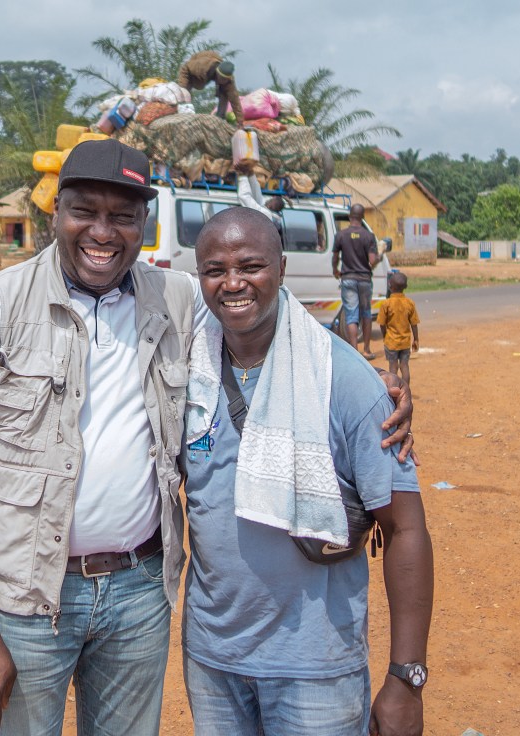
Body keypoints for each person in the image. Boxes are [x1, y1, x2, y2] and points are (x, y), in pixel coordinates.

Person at [0, 139, 414, 735]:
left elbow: (267, 313)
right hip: (28, 600)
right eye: (85, 211)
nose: (103, 232)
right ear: (55, 213)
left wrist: (367, 381)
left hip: (139, 595)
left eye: (123, 216)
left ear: (144, 224)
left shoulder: (175, 299)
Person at [183, 207, 433, 736]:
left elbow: (407, 529)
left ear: (281, 267)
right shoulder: (184, 369)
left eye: (251, 265)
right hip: (213, 662)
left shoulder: (342, 379)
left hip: (315, 669)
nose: (232, 283)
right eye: (214, 270)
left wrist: (407, 679)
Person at [332, 203, 379, 360]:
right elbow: (372, 261)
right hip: (365, 279)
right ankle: (367, 349)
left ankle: (354, 351)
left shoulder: (341, 235)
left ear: (350, 217)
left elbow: (334, 257)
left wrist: (335, 270)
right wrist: (379, 257)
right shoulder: (368, 236)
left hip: (348, 279)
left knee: (351, 315)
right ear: (362, 217)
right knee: (366, 313)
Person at [177, 50, 244, 127]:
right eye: (222, 78)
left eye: (225, 79)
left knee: (225, 92)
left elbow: (235, 100)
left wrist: (240, 122)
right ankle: (182, 113)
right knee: (185, 94)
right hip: (191, 73)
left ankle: (220, 118)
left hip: (211, 71)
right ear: (217, 73)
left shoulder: (228, 81)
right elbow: (185, 68)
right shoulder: (201, 66)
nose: (223, 80)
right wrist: (183, 89)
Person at [377, 271, 420, 384]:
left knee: (393, 367)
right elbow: (414, 323)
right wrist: (416, 339)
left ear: (390, 286)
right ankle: (406, 389)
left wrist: (385, 336)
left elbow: (382, 324)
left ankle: (394, 390)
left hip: (391, 342)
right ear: (405, 287)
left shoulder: (386, 304)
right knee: (404, 366)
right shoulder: (409, 303)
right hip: (405, 342)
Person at [233, 159, 284, 229]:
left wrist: (242, 177)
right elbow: (257, 197)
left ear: (272, 206)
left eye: (271, 200)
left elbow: (245, 198)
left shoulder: (267, 215)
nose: (268, 200)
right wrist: (251, 174)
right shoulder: (268, 212)